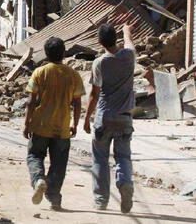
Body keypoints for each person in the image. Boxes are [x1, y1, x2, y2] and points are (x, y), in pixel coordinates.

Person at [24, 37, 85, 211]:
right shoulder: (73, 75)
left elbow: (30, 102)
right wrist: (75, 124)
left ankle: (38, 180)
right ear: (63, 53)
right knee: (59, 164)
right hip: (62, 127)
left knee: (35, 155)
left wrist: (27, 123)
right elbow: (78, 103)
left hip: (40, 125)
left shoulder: (39, 72)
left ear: (46, 53)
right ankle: (54, 198)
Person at [83, 24, 135, 213]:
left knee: (100, 160)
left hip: (103, 118)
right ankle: (125, 182)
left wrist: (87, 118)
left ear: (99, 42)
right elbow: (129, 41)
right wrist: (126, 30)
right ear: (116, 40)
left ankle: (100, 200)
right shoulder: (129, 56)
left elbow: (94, 95)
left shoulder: (99, 63)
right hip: (124, 118)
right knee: (123, 156)